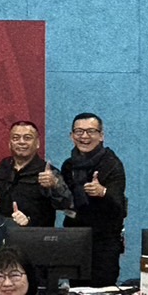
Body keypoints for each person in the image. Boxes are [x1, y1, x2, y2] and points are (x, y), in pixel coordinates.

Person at [61, 112, 129, 286]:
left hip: (104, 243)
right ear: (71, 136)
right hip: (75, 239)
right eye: (79, 131)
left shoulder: (112, 164)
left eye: (91, 131)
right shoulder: (68, 165)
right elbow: (64, 202)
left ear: (101, 136)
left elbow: (118, 205)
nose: (84, 136)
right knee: (76, 293)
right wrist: (54, 185)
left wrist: (103, 192)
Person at [0, 121, 70, 230]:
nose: (21, 142)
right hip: (2, 232)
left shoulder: (48, 172)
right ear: (9, 143)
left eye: (27, 138)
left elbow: (67, 205)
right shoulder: (4, 165)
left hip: (36, 235)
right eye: (16, 138)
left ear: (37, 143)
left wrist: (55, 185)